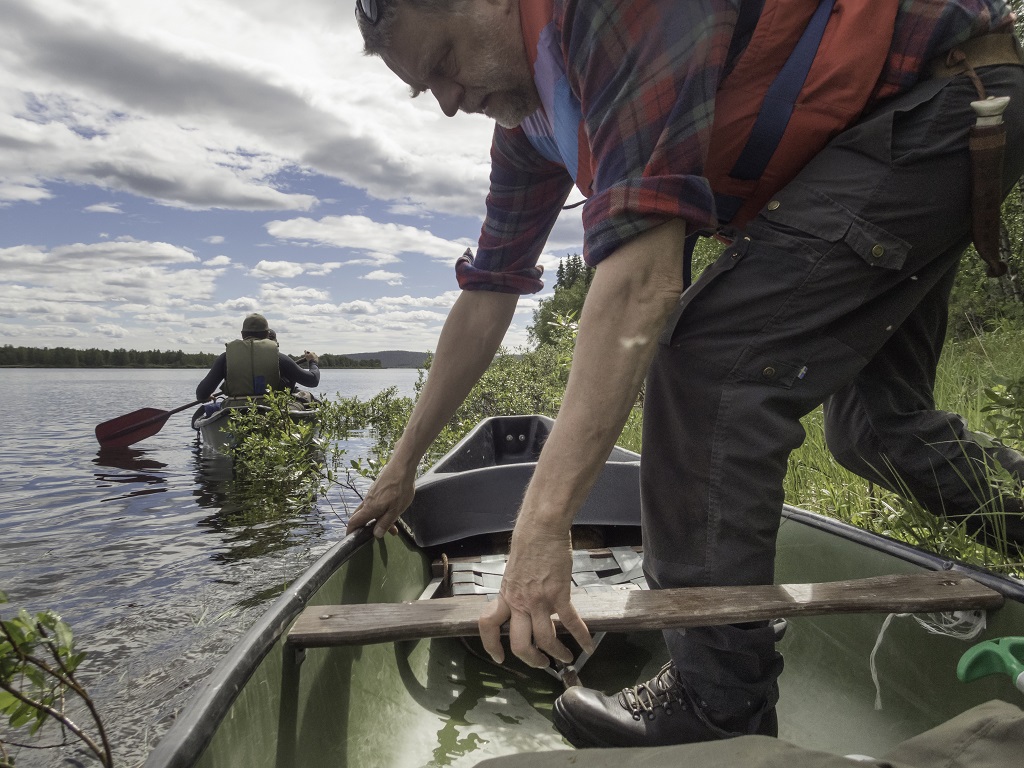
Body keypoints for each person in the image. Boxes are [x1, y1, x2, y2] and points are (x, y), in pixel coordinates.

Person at [347, 0, 1024, 750]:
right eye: (425, 90)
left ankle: (715, 706)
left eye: (442, 63)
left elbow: (642, 284)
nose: (446, 102)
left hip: (942, 102)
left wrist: (542, 526)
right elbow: (488, 294)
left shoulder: (602, 16)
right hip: (926, 123)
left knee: (709, 364)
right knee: (878, 429)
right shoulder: (529, 127)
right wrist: (402, 463)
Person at [196, 313, 321, 402]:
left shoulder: (225, 358)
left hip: (234, 411)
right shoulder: (279, 358)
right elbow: (312, 381)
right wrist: (313, 362)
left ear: (242, 334)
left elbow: (201, 394)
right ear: (267, 334)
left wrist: (206, 397)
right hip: (271, 410)